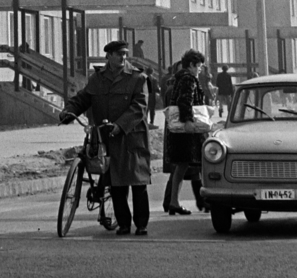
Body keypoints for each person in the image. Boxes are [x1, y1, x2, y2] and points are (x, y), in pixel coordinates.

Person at [60, 40, 153, 236]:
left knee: (137, 183)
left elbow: (139, 107)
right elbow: (84, 98)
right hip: (107, 138)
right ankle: (124, 223)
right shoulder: (98, 79)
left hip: (131, 138)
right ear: (108, 56)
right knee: (116, 182)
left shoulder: (137, 77)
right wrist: (69, 110)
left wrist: (120, 125)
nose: (123, 57)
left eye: (125, 53)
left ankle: (142, 223)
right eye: (119, 53)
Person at [161, 49, 207, 216]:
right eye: (199, 66)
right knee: (202, 162)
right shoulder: (188, 79)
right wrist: (188, 120)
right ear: (192, 65)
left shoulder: (179, 78)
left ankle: (173, 202)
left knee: (181, 166)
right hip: (188, 131)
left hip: (179, 132)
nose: (200, 70)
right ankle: (207, 199)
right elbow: (185, 100)